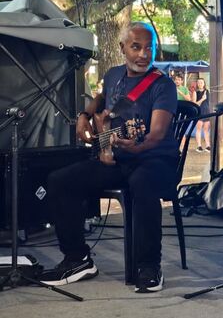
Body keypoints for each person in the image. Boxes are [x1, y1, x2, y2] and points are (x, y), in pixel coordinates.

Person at [41, 22, 178, 293]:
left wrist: (135, 147)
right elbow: (101, 100)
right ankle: (77, 259)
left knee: (142, 182)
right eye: (136, 47)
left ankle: (149, 266)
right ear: (122, 48)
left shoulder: (163, 86)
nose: (143, 55)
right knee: (59, 181)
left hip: (154, 160)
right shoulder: (114, 74)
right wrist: (84, 116)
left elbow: (155, 135)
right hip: (120, 158)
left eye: (149, 48)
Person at [193, 78, 211, 152]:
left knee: (206, 130)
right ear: (197, 84)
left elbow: (209, 102)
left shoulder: (207, 92)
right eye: (199, 82)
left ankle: (208, 145)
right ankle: (199, 146)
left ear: (204, 84)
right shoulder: (195, 93)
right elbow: (194, 104)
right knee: (199, 129)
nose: (200, 84)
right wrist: (202, 99)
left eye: (201, 82)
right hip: (199, 112)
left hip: (207, 111)